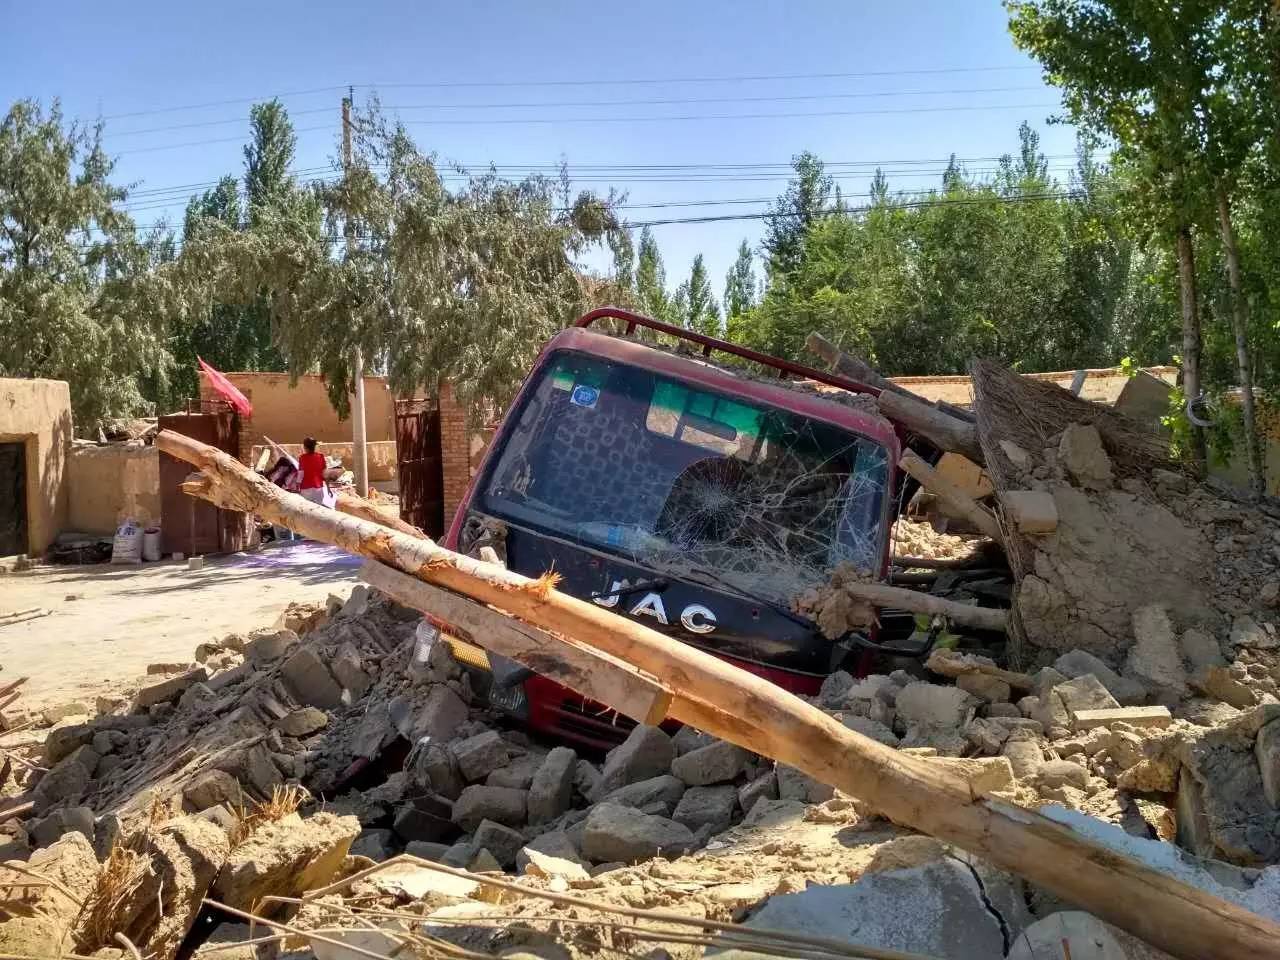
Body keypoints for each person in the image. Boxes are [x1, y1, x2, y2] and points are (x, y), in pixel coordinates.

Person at [297, 436, 329, 506]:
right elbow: (325, 473)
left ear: (305, 447)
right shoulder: (321, 456)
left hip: (306, 489)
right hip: (318, 489)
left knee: (306, 510)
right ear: (314, 447)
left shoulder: (302, 458)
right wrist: (328, 488)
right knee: (319, 510)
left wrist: (297, 486)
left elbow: (300, 474)